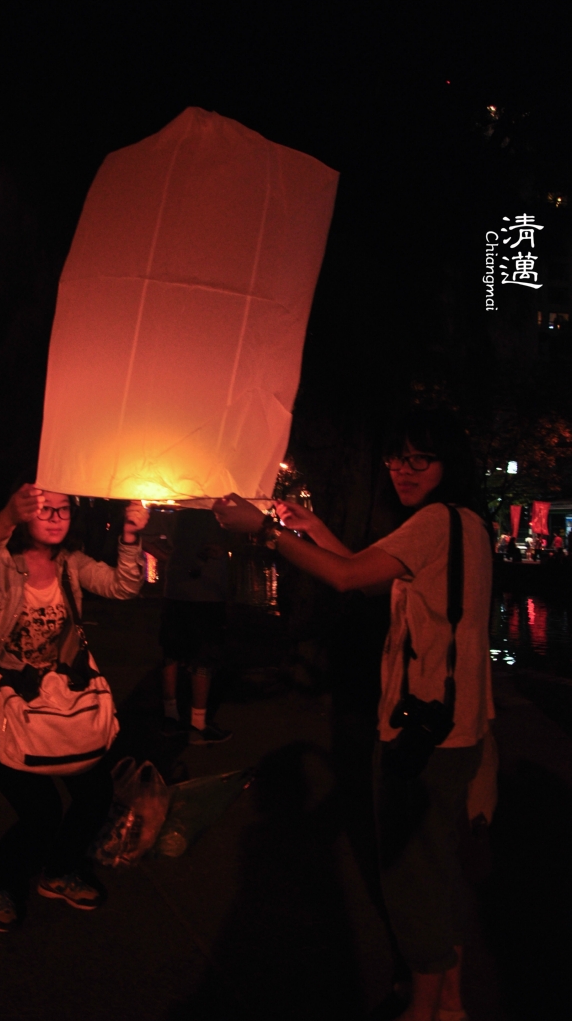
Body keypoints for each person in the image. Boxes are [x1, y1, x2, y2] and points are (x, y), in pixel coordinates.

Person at [213, 409, 494, 1021]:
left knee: (410, 878)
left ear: (448, 463)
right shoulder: (467, 524)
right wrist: (313, 527)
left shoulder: (433, 522)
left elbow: (344, 579)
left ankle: (425, 1008)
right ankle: (449, 1001)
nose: (402, 470)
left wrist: (264, 531)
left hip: (418, 732)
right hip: (456, 728)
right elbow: (370, 578)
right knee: (436, 869)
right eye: (396, 458)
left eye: (419, 458)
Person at [0, 483, 148, 933]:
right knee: (40, 811)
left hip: (55, 698)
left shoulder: (70, 564)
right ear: (24, 513)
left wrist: (131, 535)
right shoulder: (1, 563)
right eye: (44, 510)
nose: (56, 518)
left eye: (63, 510)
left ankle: (58, 872)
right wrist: (5, 516)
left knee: (95, 794)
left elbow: (123, 586)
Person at [158, 508, 231, 744]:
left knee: (172, 653)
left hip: (177, 589)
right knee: (203, 656)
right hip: (208, 592)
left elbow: (150, 537)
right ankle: (197, 723)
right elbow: (231, 542)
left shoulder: (174, 503)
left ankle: (171, 718)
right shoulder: (220, 508)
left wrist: (174, 560)